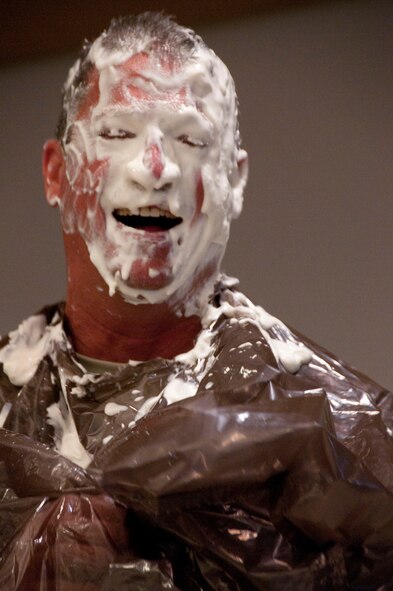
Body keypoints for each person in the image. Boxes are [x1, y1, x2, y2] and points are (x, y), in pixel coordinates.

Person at [0, 12, 392, 590]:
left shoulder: (329, 427)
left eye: (190, 140)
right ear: (57, 174)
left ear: (234, 182)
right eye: (115, 133)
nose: (154, 169)